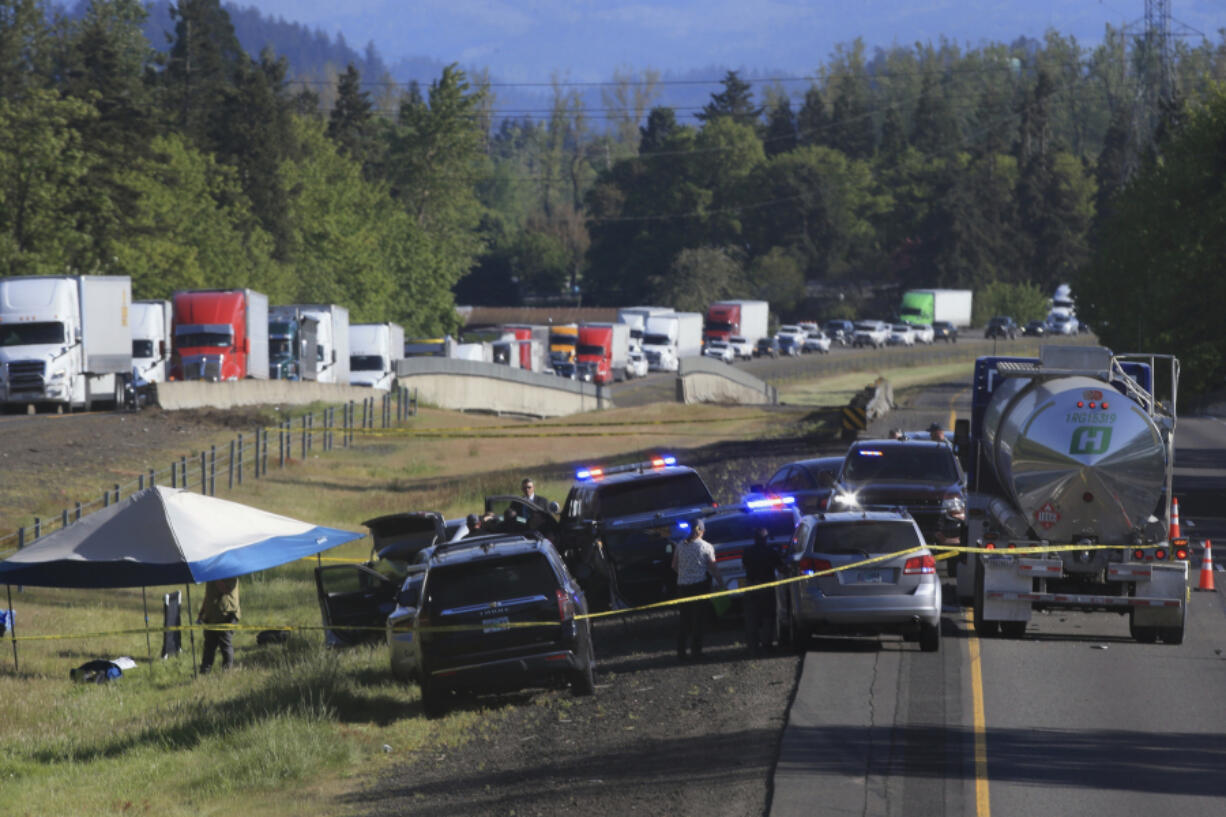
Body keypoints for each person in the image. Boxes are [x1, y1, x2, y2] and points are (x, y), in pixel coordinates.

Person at [670, 518, 725, 661]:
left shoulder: (680, 545)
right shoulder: (706, 547)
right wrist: (721, 583)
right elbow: (713, 568)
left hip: (682, 587)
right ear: (700, 531)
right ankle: (696, 651)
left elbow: (674, 566)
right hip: (699, 587)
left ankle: (681, 652)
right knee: (698, 620)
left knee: (684, 620)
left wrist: (684, 574)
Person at [741, 528, 784, 656]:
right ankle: (767, 645)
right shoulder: (771, 552)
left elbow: (744, 566)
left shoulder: (747, 551)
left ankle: (753, 647)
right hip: (767, 587)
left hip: (751, 586)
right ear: (766, 539)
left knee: (752, 618)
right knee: (768, 617)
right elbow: (781, 568)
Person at [197, 577, 240, 674]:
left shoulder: (231, 573)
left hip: (227, 614)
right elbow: (208, 595)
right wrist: (201, 612)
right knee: (209, 646)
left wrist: (215, 577)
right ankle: (204, 673)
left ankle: (227, 672)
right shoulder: (210, 575)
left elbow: (226, 589)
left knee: (225, 643)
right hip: (211, 616)